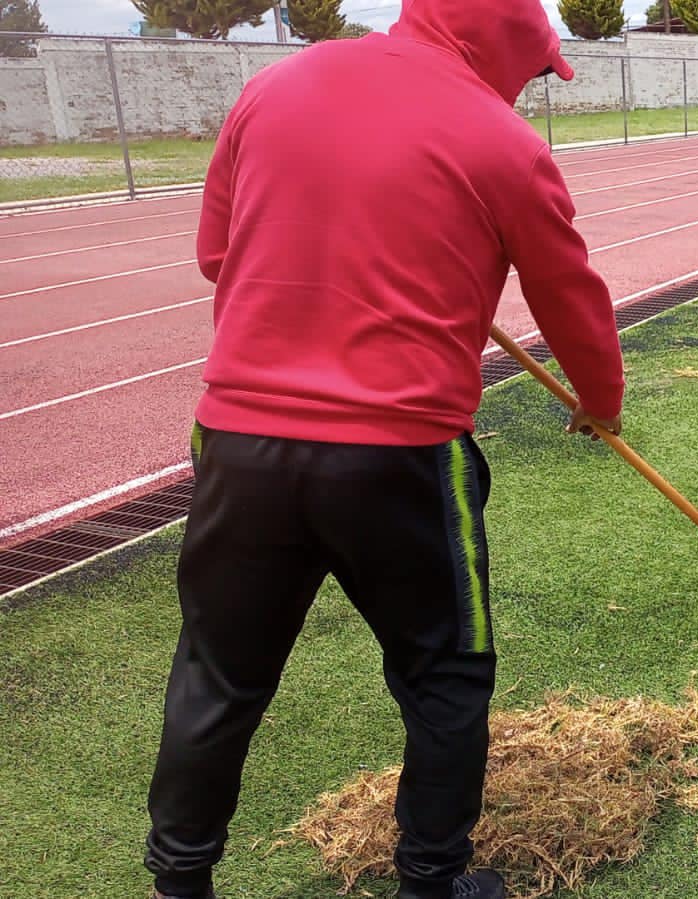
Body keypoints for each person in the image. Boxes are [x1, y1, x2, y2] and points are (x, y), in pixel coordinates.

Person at [143, 0, 624, 895]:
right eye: (531, 72)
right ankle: (431, 881)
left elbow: (218, 255)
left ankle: (178, 881)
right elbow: (572, 295)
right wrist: (600, 402)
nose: (526, 91)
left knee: (218, 671)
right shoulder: (503, 142)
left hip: (241, 443)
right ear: (501, 47)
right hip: (399, 456)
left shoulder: (276, 84)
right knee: (444, 675)